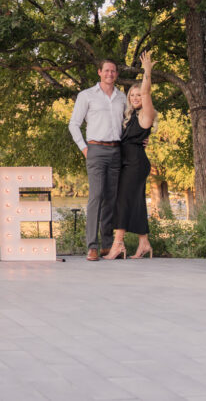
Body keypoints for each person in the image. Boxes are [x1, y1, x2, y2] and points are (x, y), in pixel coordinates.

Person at [68, 58, 126, 261]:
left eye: (114, 71)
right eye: (107, 70)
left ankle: (107, 245)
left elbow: (128, 123)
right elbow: (73, 124)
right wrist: (84, 148)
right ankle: (92, 246)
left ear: (116, 74)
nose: (110, 74)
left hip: (116, 150)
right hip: (95, 149)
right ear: (99, 72)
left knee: (112, 198)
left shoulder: (122, 97)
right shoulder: (87, 96)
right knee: (97, 196)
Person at [104, 51, 157, 260]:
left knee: (123, 201)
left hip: (135, 164)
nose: (136, 98)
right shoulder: (131, 116)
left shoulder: (147, 112)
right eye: (132, 96)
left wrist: (147, 72)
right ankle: (144, 243)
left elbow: (146, 94)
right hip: (129, 162)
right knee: (135, 202)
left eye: (138, 95)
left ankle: (118, 244)